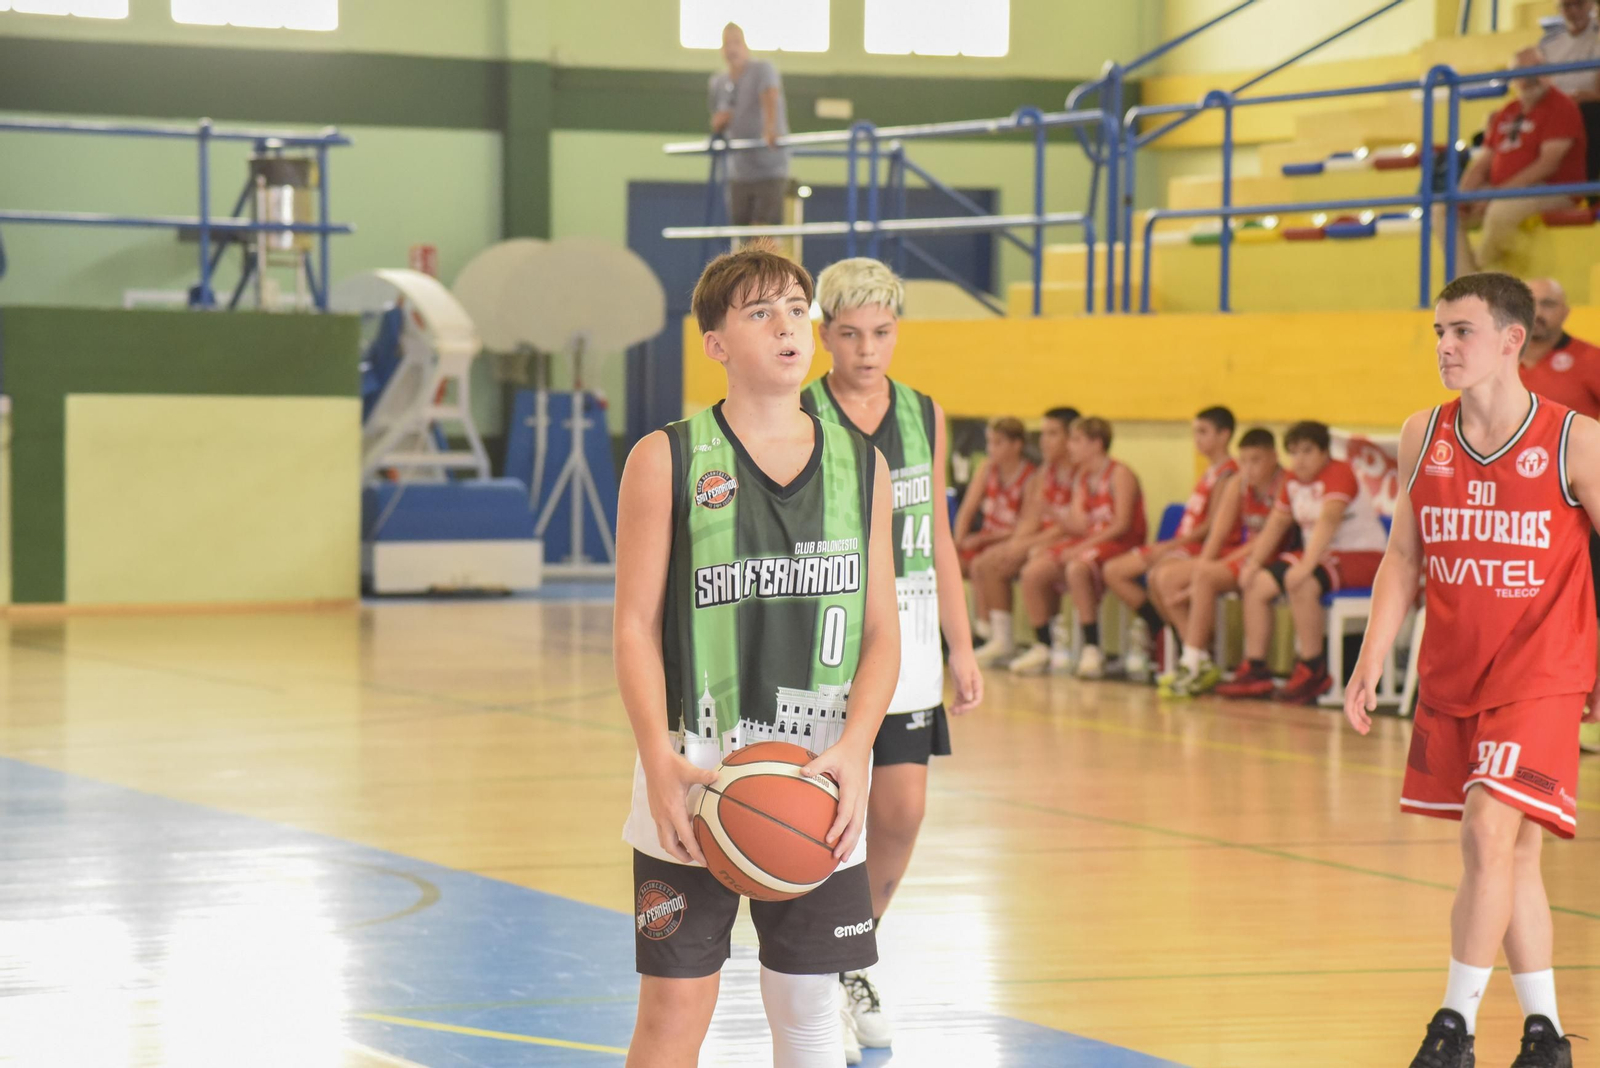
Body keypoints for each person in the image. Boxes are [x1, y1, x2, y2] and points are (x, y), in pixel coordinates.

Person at [613, 243, 900, 1068]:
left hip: (818, 779)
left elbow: (884, 630)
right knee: (672, 1009)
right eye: (759, 312)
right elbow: (633, 626)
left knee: (809, 1010)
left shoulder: (861, 464)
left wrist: (855, 749)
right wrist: (657, 759)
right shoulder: (665, 458)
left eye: (796, 311)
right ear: (714, 344)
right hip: (691, 772)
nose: (787, 328)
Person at [1344, 273, 1600, 1068]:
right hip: (1453, 672)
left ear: (1511, 339)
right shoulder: (1423, 432)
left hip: (1545, 670)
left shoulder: (1575, 438)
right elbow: (1403, 556)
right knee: (1505, 856)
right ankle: (1546, 1036)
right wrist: (1369, 654)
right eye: (1438, 332)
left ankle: (1451, 1029)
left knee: (1492, 829)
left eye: (1461, 331)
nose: (1445, 347)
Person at [801, 257, 983, 1056]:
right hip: (823, 637)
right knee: (821, 821)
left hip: (907, 634)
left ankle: (849, 953)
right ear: (824, 336)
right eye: (848, 334)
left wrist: (963, 643)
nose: (866, 350)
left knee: (901, 814)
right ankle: (816, 967)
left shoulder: (924, 412)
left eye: (880, 333)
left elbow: (938, 532)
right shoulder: (796, 409)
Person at [1214, 421, 1389, 704]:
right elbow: (1276, 524)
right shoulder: (1293, 479)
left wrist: (1305, 566)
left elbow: (1328, 520)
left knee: (1302, 580)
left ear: (1324, 452)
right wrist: (1253, 564)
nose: (1300, 460)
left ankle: (1313, 667)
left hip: (1363, 555)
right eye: (1294, 453)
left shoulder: (1339, 472)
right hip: (1323, 553)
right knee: (1257, 583)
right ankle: (1256, 668)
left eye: (1307, 452)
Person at [1101, 406, 1237, 682]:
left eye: (1203, 432)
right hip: (1186, 544)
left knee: (1160, 577)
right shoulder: (1210, 471)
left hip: (1201, 548)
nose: (1197, 439)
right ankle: (1169, 636)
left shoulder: (1228, 474)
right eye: (1194, 432)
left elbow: (1212, 526)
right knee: (1117, 571)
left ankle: (1193, 654)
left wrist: (1172, 544)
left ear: (1224, 435)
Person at [1155, 428, 1289, 697]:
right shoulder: (1238, 484)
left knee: (1205, 576)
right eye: (1245, 461)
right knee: (1166, 578)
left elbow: (1265, 540)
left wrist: (1209, 570)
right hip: (1243, 556)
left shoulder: (1285, 485)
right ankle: (1198, 656)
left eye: (1256, 460)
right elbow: (1217, 533)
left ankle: (1191, 662)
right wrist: (1202, 566)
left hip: (1271, 557)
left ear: (1274, 457)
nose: (1249, 468)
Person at [1010, 417, 1147, 679]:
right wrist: (1049, 510)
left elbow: (1121, 524)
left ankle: (1092, 647)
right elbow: (1078, 524)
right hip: (1095, 542)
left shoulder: (1120, 474)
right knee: (1034, 569)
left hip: (1122, 544)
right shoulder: (1083, 477)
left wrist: (1082, 546)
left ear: (1096, 444)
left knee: (1077, 565)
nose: (1069, 446)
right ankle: (1044, 645)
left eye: (1076, 440)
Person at [1435, 48, 1589, 276]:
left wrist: (1494, 195)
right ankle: (1467, 281)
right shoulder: (1507, 111)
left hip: (1554, 189)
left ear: (1547, 71)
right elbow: (1481, 163)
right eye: (1521, 72)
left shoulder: (1562, 106)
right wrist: (1462, 197)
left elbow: (1547, 165)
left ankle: (1479, 276)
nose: (1529, 78)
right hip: (1504, 191)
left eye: (1535, 69)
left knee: (1500, 211)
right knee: (1443, 210)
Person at [970, 408, 1081, 666]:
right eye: (1042, 434)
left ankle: (1047, 643)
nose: (1044, 441)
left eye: (1052, 434)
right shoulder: (1044, 474)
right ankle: (1002, 639)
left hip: (1067, 540)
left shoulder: (1079, 474)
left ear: (1070, 437)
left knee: (1034, 563)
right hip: (1045, 539)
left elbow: (1070, 526)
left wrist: (1025, 546)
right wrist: (1014, 545)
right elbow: (1030, 520)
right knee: (990, 560)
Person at [952, 416, 1036, 641]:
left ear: (1016, 445)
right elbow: (967, 510)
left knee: (983, 564)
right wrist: (958, 542)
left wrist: (982, 540)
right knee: (947, 565)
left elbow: (1025, 526)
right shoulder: (986, 469)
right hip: (986, 540)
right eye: (989, 442)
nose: (990, 448)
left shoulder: (1030, 477)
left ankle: (988, 633)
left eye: (998, 442)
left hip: (1008, 542)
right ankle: (951, 631)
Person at [709, 23, 791, 230]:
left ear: (745, 46)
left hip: (769, 167)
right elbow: (716, 118)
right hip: (739, 171)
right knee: (741, 234)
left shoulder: (763, 69)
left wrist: (770, 128)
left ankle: (770, 264)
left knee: (763, 233)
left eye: (736, 42)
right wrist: (719, 124)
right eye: (727, 44)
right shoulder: (718, 82)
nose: (732, 49)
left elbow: (769, 95)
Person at [1540, 0, 1600, 102]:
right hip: (1557, 108)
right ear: (1559, 8)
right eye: (1567, 5)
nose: (1573, 11)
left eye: (1579, 4)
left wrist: (1590, 97)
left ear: (1591, 4)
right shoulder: (1547, 44)